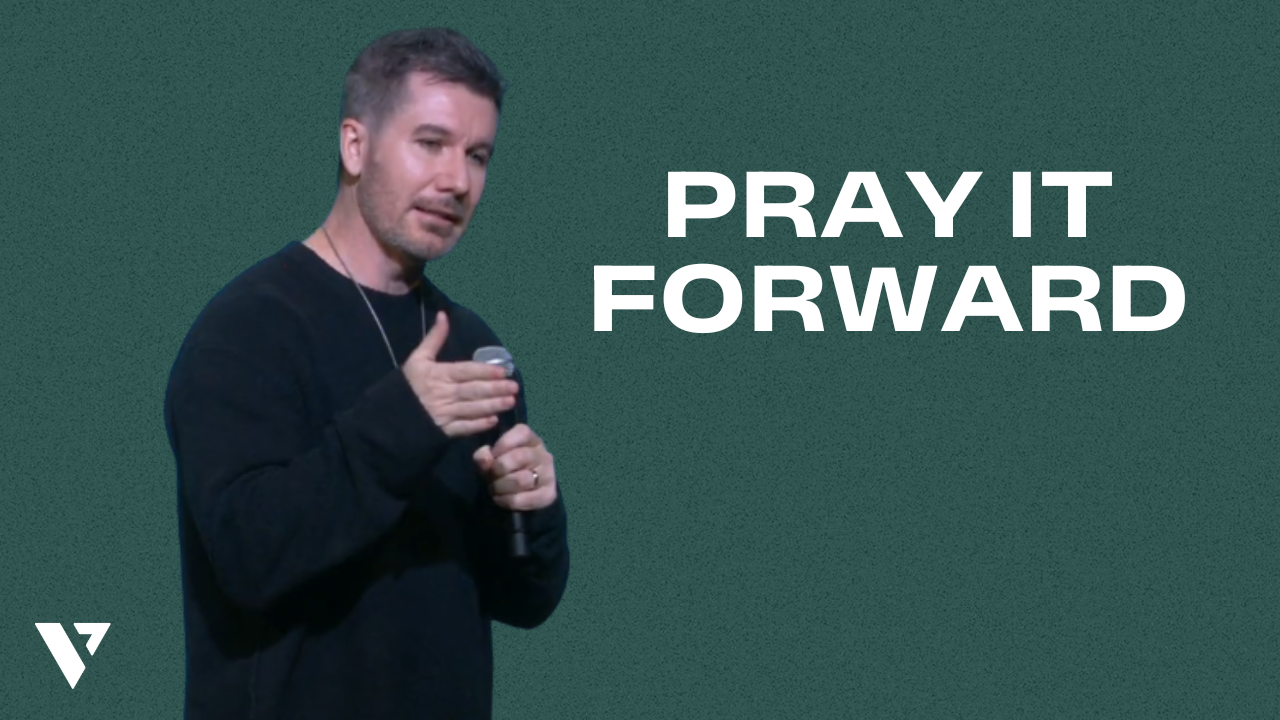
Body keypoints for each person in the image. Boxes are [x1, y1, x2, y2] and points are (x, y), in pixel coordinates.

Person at [163, 28, 569, 719]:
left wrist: (532, 507)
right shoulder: (248, 328)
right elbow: (248, 555)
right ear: (355, 146)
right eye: (431, 143)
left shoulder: (473, 347)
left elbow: (523, 600)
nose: (458, 181)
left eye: (478, 156)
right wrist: (404, 421)